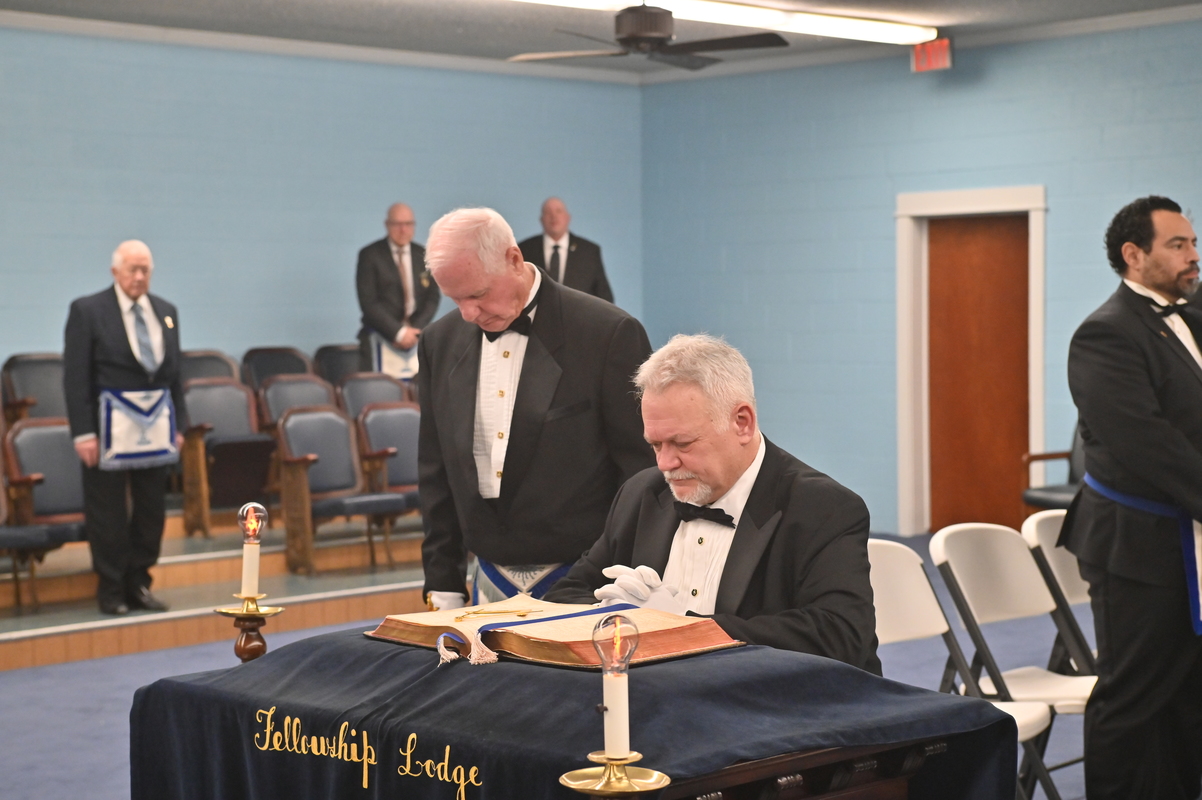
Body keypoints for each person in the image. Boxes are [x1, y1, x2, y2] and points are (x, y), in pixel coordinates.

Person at [545, 334, 881, 674]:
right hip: (656, 696)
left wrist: (681, 627)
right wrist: (614, 616)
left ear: (742, 423)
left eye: (682, 443)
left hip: (772, 698)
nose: (665, 463)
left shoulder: (822, 507)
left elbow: (840, 636)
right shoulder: (642, 493)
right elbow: (566, 595)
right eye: (656, 444)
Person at [417, 207, 653, 610]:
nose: (468, 314)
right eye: (455, 299)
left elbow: (641, 474)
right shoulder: (439, 342)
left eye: (477, 294)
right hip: (485, 581)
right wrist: (443, 582)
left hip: (590, 581)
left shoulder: (607, 333)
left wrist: (627, 578)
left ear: (513, 259)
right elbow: (436, 472)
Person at [1061, 195, 1202, 800]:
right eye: (1178, 244)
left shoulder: (1189, 314)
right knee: (1134, 696)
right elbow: (1149, 445)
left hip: (1189, 538)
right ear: (1134, 255)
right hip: (1136, 546)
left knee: (1187, 695)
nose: (1193, 255)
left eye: (1194, 242)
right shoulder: (1106, 333)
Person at [63, 240, 185, 615]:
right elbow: (75, 377)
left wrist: (179, 425)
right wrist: (83, 432)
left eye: (145, 269)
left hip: (156, 428)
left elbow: (175, 376)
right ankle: (112, 588)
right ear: (115, 271)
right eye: (132, 269)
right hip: (106, 430)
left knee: (151, 511)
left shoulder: (166, 311)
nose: (139, 276)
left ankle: (139, 584)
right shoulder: (88, 310)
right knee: (108, 514)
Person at [356, 202, 442, 371]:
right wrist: (399, 333)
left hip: (415, 338)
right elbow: (368, 302)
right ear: (387, 225)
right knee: (382, 387)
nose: (403, 230)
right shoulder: (370, 255)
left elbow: (432, 296)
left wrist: (415, 331)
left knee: (419, 386)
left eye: (408, 224)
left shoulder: (423, 255)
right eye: (397, 224)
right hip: (381, 336)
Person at [518, 197, 613, 303]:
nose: (553, 216)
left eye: (558, 211)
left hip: (579, 313)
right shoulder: (524, 249)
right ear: (541, 219)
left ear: (568, 218)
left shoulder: (589, 252)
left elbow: (605, 298)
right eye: (548, 212)